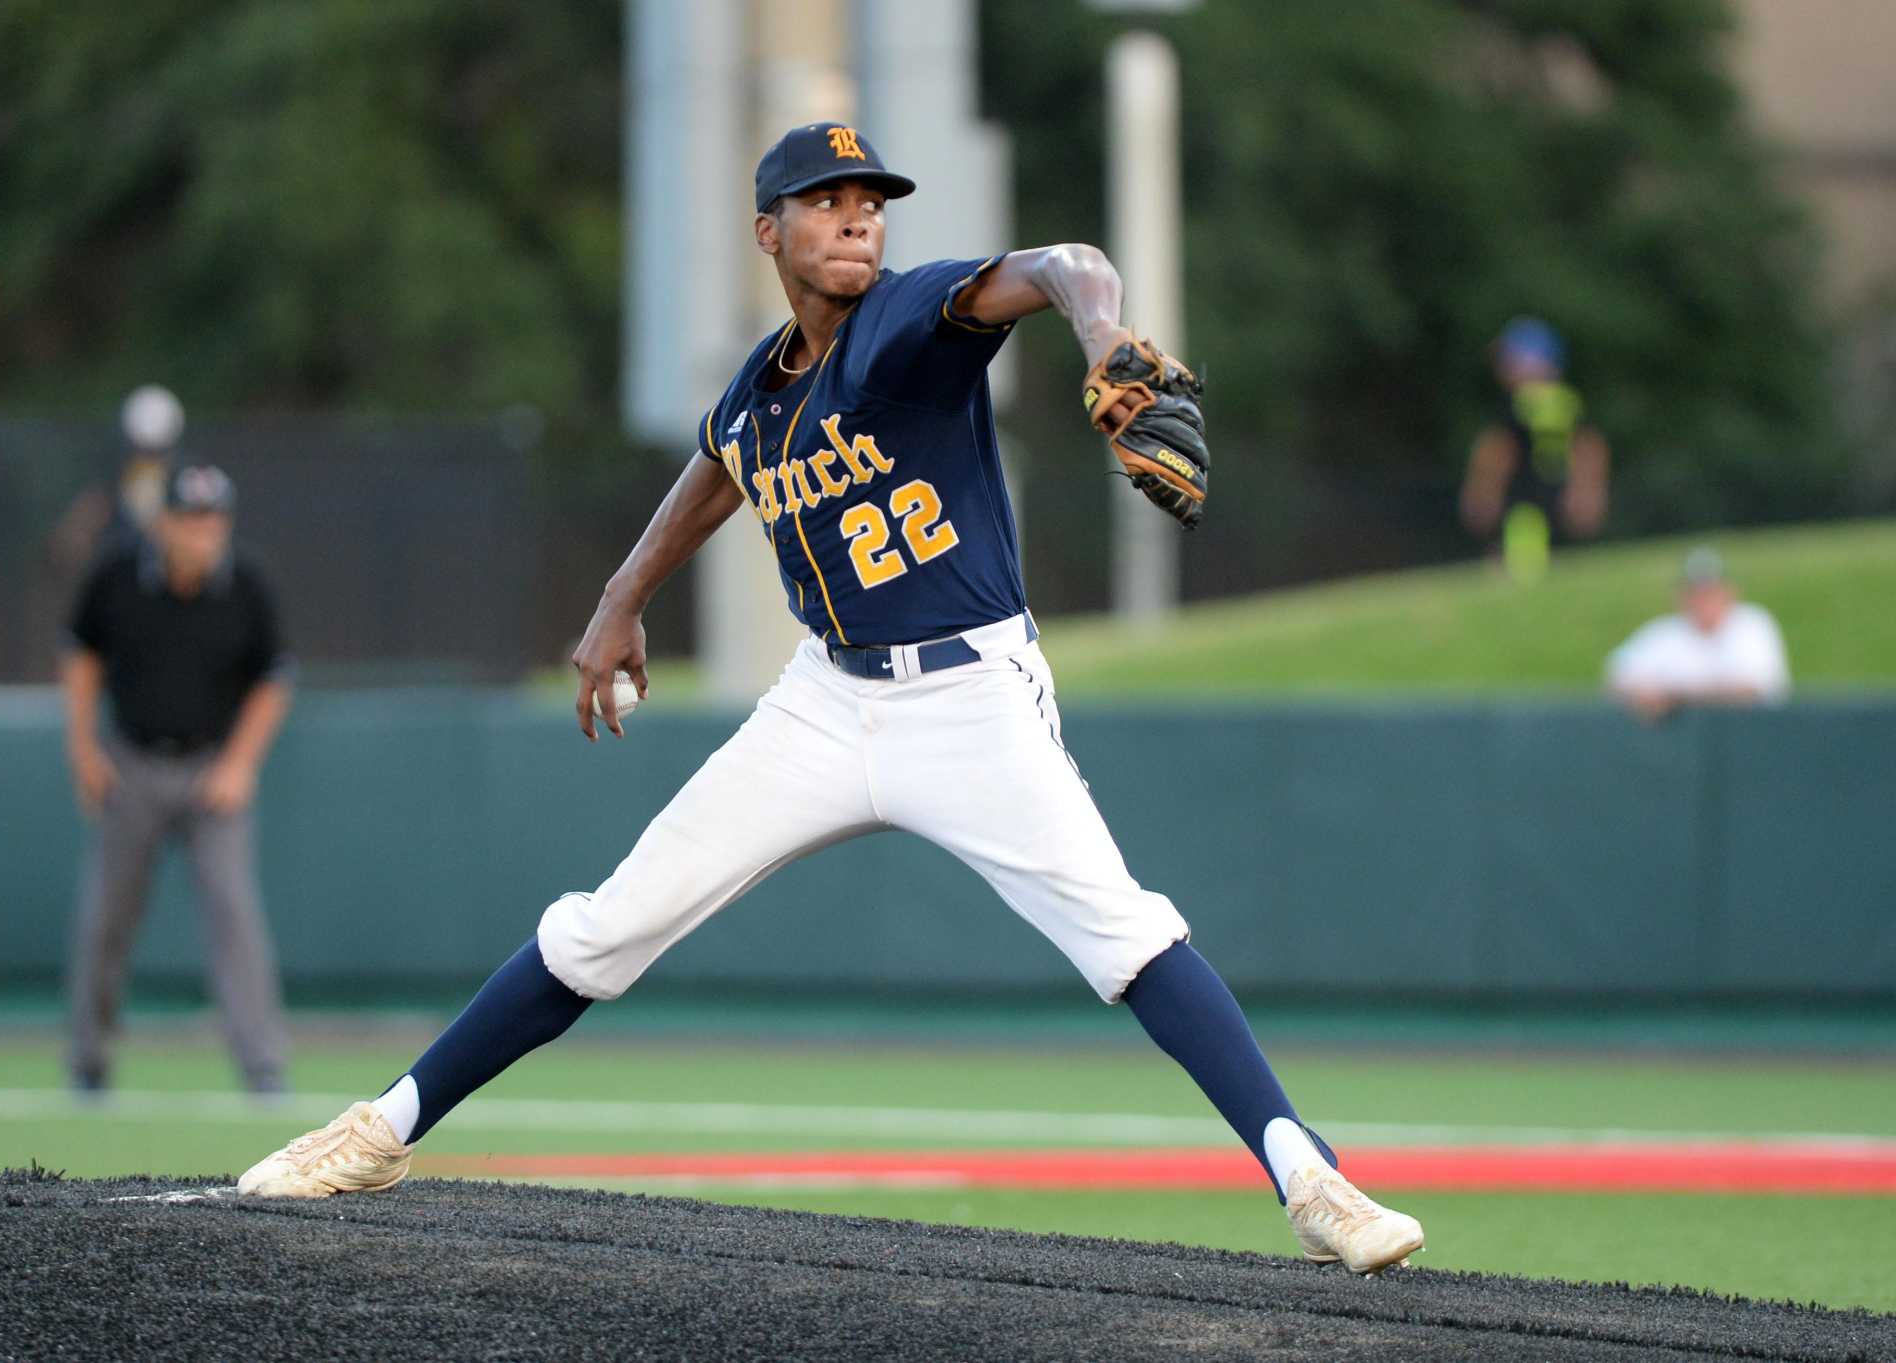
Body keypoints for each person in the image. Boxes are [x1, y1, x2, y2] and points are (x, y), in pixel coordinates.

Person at [238, 123, 1424, 1274]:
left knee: (1123, 932)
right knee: (606, 924)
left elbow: (1065, 265)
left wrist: (1101, 330)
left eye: (870, 200)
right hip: (820, 702)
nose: (858, 214)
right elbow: (718, 466)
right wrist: (618, 596)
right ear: (769, 231)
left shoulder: (907, 319)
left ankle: (1307, 1175)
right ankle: (380, 1132)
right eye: (826, 199)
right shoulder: (762, 387)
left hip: (969, 699)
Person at [61, 463, 294, 1094]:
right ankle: (88, 1063)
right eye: (190, 519)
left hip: (209, 769)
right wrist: (83, 751)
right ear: (162, 522)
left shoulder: (245, 583)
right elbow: (81, 657)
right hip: (131, 764)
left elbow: (274, 679)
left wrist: (241, 764)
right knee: (106, 917)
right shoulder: (117, 574)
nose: (202, 532)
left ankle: (263, 1068)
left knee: (234, 914)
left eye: (213, 518)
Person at [1458, 317, 1610, 583]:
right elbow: (1590, 446)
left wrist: (1482, 491)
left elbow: (1497, 450)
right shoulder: (1567, 400)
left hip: (1523, 504)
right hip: (1556, 498)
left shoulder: (1518, 403)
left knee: (1520, 572)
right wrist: (1587, 489)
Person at [1606, 548, 1790, 721]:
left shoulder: (1752, 624)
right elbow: (1618, 676)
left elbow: (1750, 689)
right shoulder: (1664, 633)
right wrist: (1643, 693)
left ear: (1729, 591)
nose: (1702, 600)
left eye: (1710, 591)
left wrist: (1673, 697)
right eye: (1694, 592)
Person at [48, 385, 184, 575]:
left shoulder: (185, 486)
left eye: (154, 452)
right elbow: (69, 542)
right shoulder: (110, 485)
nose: (147, 459)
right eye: (141, 450)